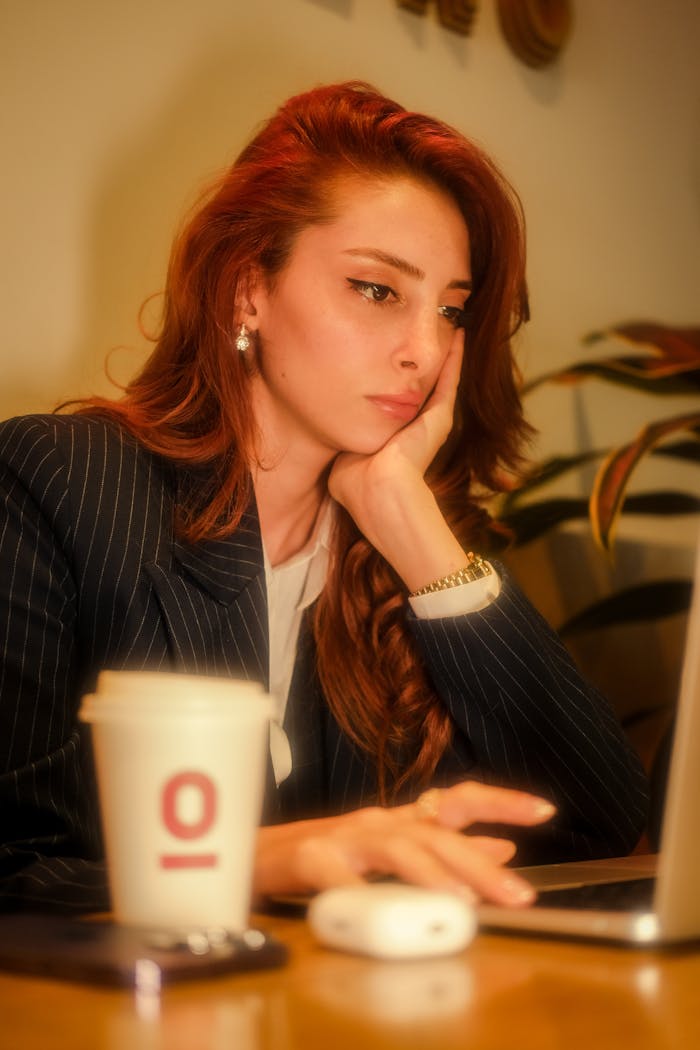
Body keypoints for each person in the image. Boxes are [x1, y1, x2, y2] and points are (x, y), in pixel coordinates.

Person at [0, 81, 648, 915]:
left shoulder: (404, 548)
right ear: (248, 290)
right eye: (377, 290)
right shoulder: (60, 483)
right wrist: (266, 861)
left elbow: (599, 827)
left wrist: (405, 521)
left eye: (452, 310)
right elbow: (13, 872)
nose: (425, 349)